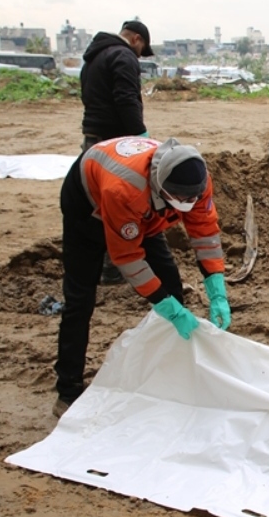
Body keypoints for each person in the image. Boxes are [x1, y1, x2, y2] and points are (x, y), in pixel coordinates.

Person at [53, 136, 231, 417]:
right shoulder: (124, 191)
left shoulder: (195, 181)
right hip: (88, 203)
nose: (189, 204)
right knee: (81, 297)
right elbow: (128, 257)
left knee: (171, 285)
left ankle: (169, 372)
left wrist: (217, 288)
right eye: (182, 200)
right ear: (162, 188)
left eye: (193, 198)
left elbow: (205, 232)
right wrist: (165, 307)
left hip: (145, 208)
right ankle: (68, 387)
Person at [80, 20, 154, 284]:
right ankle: (115, 269)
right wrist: (140, 137)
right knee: (122, 205)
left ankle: (94, 265)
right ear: (136, 39)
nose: (138, 55)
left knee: (96, 206)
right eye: (141, 48)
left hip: (93, 141)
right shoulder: (123, 55)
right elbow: (126, 98)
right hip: (115, 142)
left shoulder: (94, 56)